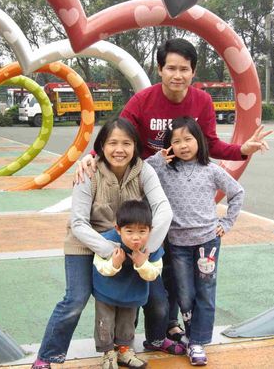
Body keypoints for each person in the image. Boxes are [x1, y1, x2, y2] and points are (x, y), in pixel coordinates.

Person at [75, 37, 270, 344]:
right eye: (171, 68)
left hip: (181, 207)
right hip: (146, 194)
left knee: (175, 272)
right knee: (137, 262)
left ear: (193, 72)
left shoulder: (202, 101)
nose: (177, 75)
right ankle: (126, 336)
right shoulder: (143, 100)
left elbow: (210, 143)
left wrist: (240, 150)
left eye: (184, 69)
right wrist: (92, 157)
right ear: (160, 69)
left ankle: (169, 326)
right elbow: (118, 136)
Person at [31, 118, 179, 369]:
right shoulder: (88, 172)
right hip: (86, 242)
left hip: (130, 241)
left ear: (136, 146)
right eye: (112, 143)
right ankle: (46, 356)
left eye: (126, 143)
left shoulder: (144, 171)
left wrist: (145, 248)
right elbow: (78, 223)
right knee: (75, 300)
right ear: (101, 146)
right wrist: (111, 250)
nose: (119, 149)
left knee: (152, 297)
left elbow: (163, 209)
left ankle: (133, 346)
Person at [146, 116, 245, 366]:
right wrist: (158, 159)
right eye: (176, 141)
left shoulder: (212, 170)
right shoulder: (164, 170)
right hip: (177, 244)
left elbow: (237, 193)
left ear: (198, 140)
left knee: (206, 293)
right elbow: (141, 173)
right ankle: (190, 334)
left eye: (188, 139)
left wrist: (226, 223)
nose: (183, 145)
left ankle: (197, 341)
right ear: (169, 145)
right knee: (185, 294)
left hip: (207, 244)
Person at [92, 200, 162, 369]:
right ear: (118, 229)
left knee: (127, 322)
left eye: (142, 231)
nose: (136, 237)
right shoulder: (107, 241)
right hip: (107, 291)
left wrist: (142, 263)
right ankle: (108, 353)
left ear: (150, 230)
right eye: (129, 231)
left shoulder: (152, 246)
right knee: (105, 322)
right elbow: (99, 266)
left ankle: (124, 350)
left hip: (132, 291)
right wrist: (115, 263)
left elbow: (154, 273)